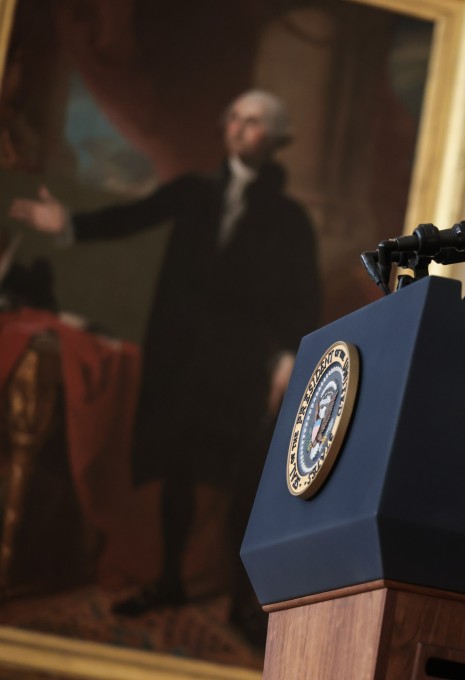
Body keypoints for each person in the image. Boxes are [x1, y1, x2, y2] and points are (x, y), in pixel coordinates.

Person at [8, 90, 322, 635]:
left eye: (254, 122)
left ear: (276, 139)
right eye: (235, 118)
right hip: (183, 359)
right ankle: (170, 578)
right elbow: (135, 215)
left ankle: (241, 601)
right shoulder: (194, 191)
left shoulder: (290, 218)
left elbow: (303, 298)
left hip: (245, 365)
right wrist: (68, 225)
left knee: (243, 478)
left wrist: (287, 359)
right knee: (176, 468)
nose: (239, 128)